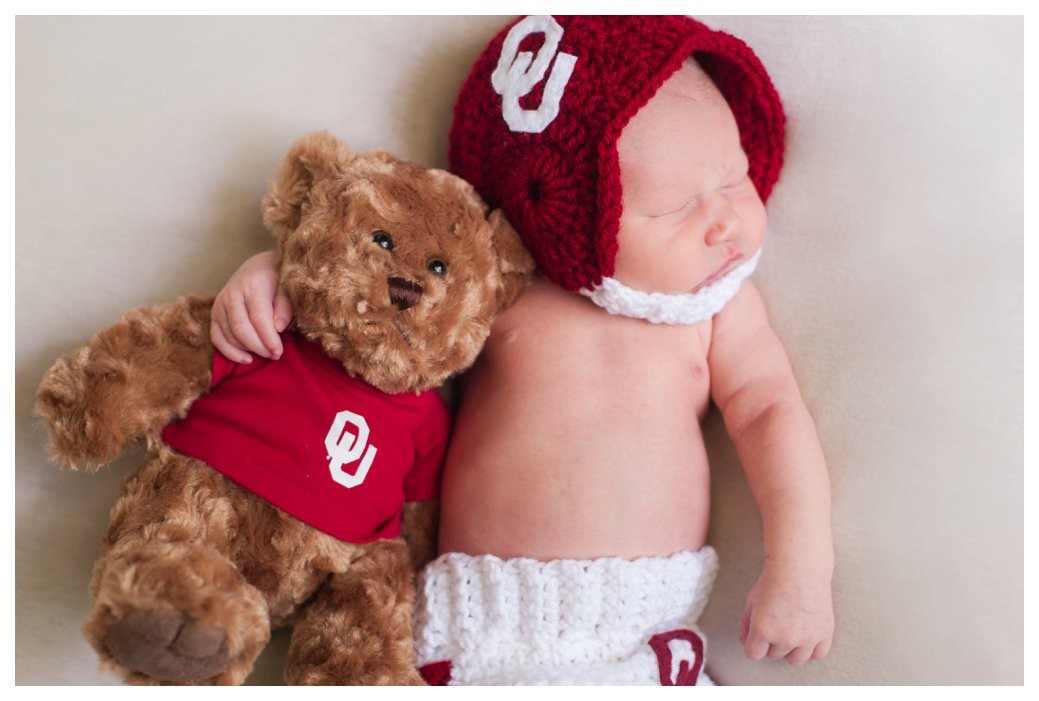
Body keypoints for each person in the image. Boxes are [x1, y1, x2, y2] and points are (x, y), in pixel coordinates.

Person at [211, 16, 834, 685]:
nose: (724, 219)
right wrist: (276, 279)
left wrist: (799, 569)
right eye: (674, 205)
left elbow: (771, 412)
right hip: (470, 628)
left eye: (735, 178)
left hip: (638, 638)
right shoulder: (500, 278)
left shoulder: (718, 307)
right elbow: (370, 294)